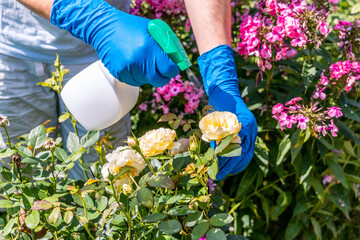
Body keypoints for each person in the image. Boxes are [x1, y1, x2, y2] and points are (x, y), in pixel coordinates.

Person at [2, 0, 257, 180]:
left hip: (107, 60)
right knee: (23, 185)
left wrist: (219, 74)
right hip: (12, 54)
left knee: (106, 183)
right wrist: (88, 16)